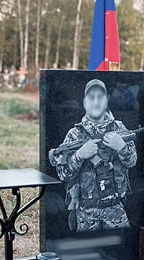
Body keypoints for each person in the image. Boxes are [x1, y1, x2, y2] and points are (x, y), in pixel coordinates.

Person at [49, 79, 138, 232]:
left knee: (122, 244)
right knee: (87, 246)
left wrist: (122, 147)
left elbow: (132, 162)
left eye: (100, 97)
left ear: (106, 101)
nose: (96, 102)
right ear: (84, 102)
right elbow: (63, 175)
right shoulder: (75, 134)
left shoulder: (118, 128)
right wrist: (79, 155)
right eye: (91, 97)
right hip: (86, 213)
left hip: (115, 209)